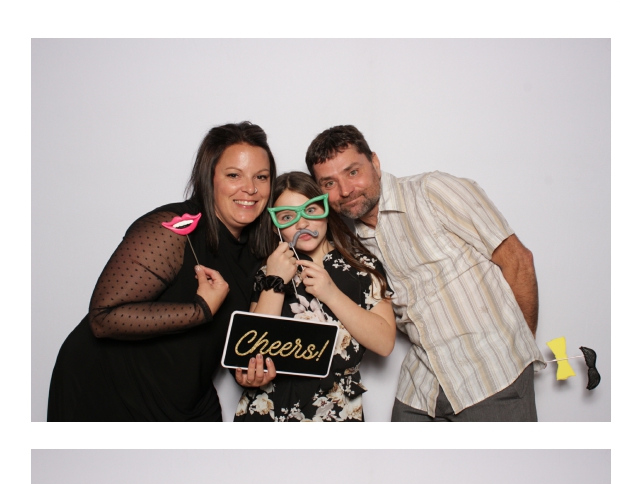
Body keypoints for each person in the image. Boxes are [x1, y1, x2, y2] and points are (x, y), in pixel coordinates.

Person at [306, 124, 544, 422]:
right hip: (422, 387)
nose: (345, 190)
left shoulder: (433, 191)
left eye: (353, 172)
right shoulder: (352, 244)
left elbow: (518, 260)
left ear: (375, 162)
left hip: (492, 375)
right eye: (329, 183)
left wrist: (518, 353)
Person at [47, 122, 276, 422]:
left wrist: (244, 372)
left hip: (183, 396)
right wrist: (201, 309)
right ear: (209, 178)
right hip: (109, 389)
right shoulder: (172, 230)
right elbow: (102, 317)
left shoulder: (260, 250)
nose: (250, 188)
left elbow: (227, 339)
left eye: (261, 177)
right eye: (234, 175)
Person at [234, 170, 395, 422]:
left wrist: (331, 294)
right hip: (269, 408)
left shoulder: (362, 266)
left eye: (310, 210)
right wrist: (275, 281)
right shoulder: (268, 271)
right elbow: (251, 354)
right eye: (287, 216)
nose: (302, 224)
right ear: (276, 226)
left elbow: (384, 343)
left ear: (325, 211)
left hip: (336, 411)